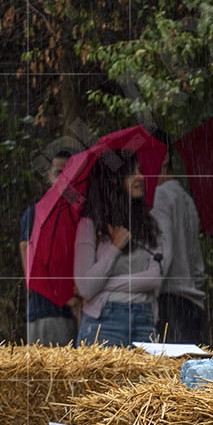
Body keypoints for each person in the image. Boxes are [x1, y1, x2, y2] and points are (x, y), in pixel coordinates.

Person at [73, 148, 163, 347]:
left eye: (140, 170)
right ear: (113, 180)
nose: (140, 177)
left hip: (144, 319)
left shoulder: (148, 223)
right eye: (132, 173)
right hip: (104, 322)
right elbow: (86, 288)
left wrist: (106, 284)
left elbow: (155, 277)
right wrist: (114, 248)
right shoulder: (90, 226)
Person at [20, 137, 80, 345]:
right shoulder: (35, 214)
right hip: (46, 312)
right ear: (48, 176)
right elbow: (30, 267)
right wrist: (66, 298)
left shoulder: (79, 215)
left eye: (67, 173)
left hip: (77, 313)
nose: (62, 179)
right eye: (57, 173)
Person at [151, 148, 207, 343]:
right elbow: (198, 267)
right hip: (191, 305)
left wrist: (149, 297)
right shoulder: (186, 198)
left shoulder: (160, 196)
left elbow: (164, 256)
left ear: (164, 157)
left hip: (170, 305)